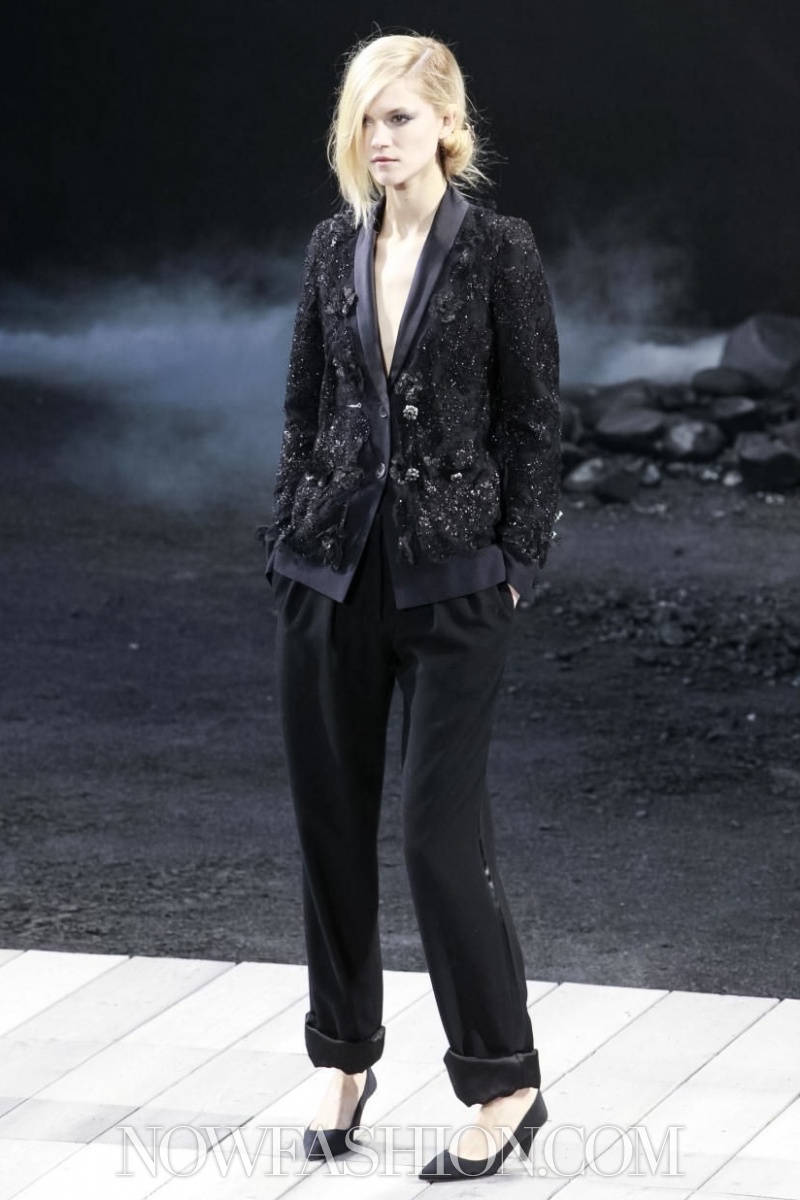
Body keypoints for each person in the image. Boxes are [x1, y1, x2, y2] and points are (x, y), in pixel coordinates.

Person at [258, 30, 561, 1182]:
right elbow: (304, 407)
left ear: (445, 123)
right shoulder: (329, 247)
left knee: (437, 839)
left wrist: (515, 561)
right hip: (327, 575)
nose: (378, 139)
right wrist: (285, 539)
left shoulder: (498, 251)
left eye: (398, 117)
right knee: (328, 829)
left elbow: (532, 424)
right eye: (364, 118)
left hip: (453, 584)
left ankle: (504, 1081)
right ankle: (342, 1057)